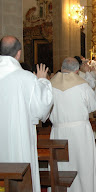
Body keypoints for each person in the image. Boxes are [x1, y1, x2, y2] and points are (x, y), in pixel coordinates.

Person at [0, 36, 53, 192]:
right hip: (19, 139)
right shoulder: (27, 79)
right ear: (19, 54)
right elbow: (42, 109)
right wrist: (42, 81)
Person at [49, 57, 96, 192]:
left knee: (61, 165)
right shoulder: (82, 85)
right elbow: (93, 106)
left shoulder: (49, 84)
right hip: (80, 132)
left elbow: (44, 113)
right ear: (77, 71)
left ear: (61, 68)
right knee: (83, 165)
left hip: (59, 132)